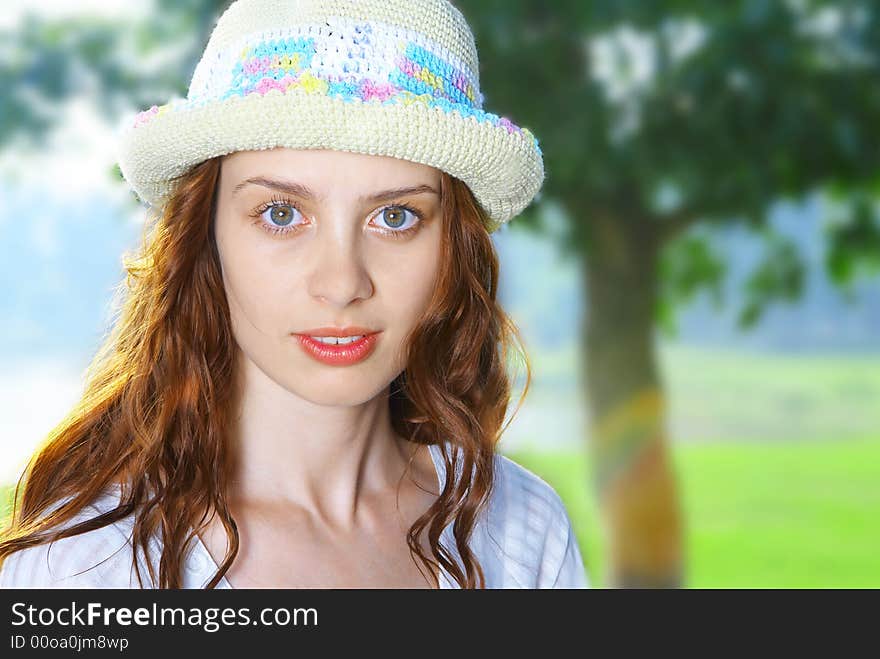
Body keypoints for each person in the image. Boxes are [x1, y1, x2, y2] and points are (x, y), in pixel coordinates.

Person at [0, 0, 588, 589]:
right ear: (205, 237)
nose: (341, 284)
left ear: (452, 249)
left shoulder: (523, 531)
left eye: (396, 216)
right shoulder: (80, 568)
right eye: (282, 213)